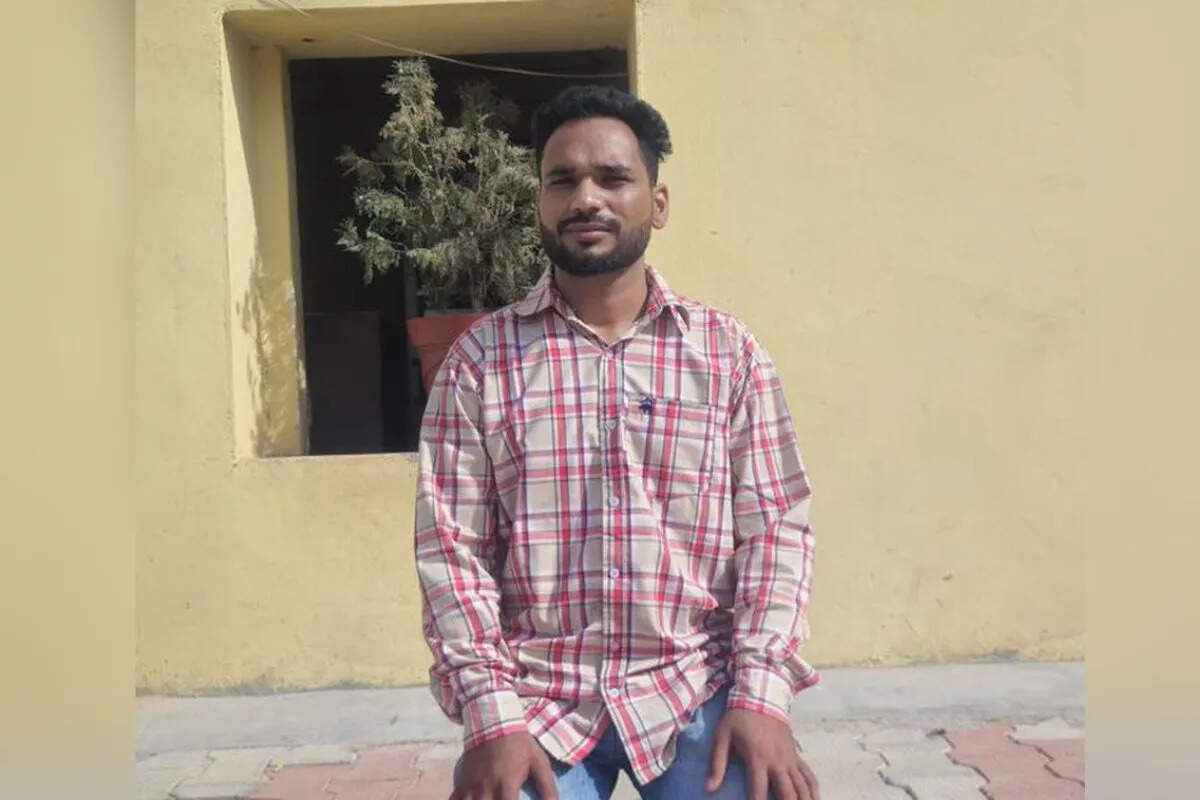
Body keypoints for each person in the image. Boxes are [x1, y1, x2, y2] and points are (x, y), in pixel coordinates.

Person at [415, 85, 820, 800]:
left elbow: (775, 532)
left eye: (613, 178)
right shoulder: (480, 363)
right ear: (540, 204)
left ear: (657, 203)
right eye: (563, 180)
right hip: (540, 698)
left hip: (692, 687)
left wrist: (762, 697)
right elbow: (454, 551)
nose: (586, 199)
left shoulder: (726, 355)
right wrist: (490, 717)